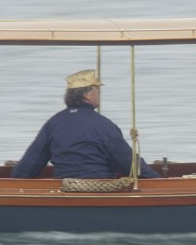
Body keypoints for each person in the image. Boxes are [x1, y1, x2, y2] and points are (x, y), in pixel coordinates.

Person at [10, 69, 159, 180]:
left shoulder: (54, 123)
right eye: (98, 91)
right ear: (87, 94)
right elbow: (126, 161)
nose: (100, 95)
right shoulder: (103, 125)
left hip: (63, 190)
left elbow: (32, 161)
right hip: (100, 191)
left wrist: (15, 183)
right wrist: (154, 179)